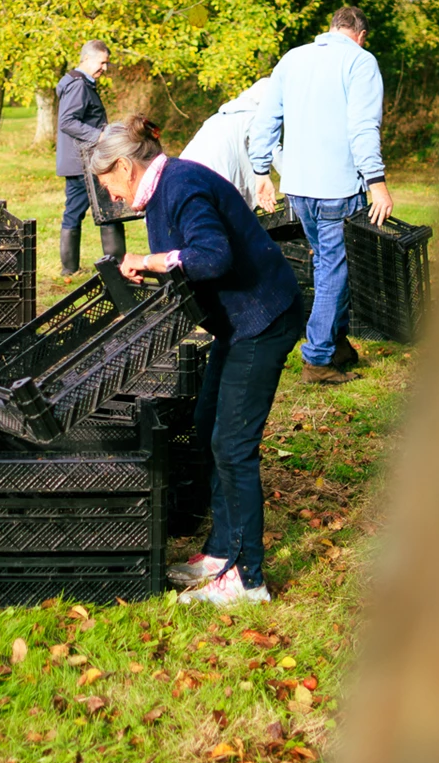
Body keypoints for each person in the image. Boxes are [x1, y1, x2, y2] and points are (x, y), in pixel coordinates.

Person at [92, 115, 302, 606]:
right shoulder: (164, 189)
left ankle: (248, 579)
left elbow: (211, 257)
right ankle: (219, 551)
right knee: (210, 426)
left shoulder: (181, 185)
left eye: (109, 186)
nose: (112, 198)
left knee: (233, 445)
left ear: (125, 166)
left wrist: (151, 261)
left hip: (263, 318)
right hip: (237, 323)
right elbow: (188, 259)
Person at [249, 5, 393, 385]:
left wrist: (261, 171)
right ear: (360, 34)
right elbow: (363, 126)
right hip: (338, 187)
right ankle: (316, 358)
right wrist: (376, 182)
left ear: (331, 29)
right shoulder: (360, 62)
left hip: (298, 187)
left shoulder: (292, 59)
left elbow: (265, 119)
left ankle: (336, 342)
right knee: (334, 269)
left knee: (328, 266)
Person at [55, 39, 125, 275]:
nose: (105, 69)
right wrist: (100, 135)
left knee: (73, 212)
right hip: (85, 162)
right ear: (86, 58)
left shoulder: (76, 82)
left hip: (76, 162)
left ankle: (69, 269)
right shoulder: (79, 86)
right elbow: (67, 122)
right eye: (102, 63)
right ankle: (117, 266)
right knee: (110, 209)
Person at [179, 79, 281, 210]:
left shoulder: (217, 118)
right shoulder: (254, 119)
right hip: (214, 187)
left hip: (184, 182)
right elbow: (274, 151)